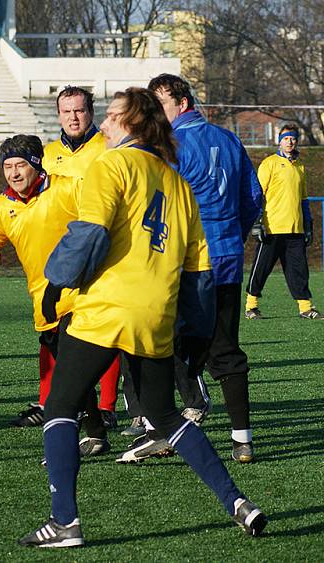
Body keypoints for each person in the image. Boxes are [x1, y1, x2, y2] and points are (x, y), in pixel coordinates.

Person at [19, 88, 267, 549]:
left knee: (60, 405)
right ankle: (237, 501)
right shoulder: (176, 183)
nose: (106, 124)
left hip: (106, 308)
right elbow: (199, 272)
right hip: (156, 316)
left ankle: (65, 522)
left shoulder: (109, 165)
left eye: (112, 116)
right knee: (165, 414)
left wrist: (56, 281)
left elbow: (90, 233)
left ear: (133, 124)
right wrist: (193, 331)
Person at [118, 73, 263, 464]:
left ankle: (158, 428)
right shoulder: (229, 138)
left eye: (161, 105)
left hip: (189, 261)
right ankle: (242, 440)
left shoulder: (170, 145)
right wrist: (234, 232)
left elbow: (159, 207)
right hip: (229, 257)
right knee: (226, 349)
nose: (155, 114)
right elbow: (253, 196)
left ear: (182, 103)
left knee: (158, 344)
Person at [0, 135, 115, 455]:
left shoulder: (68, 188)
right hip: (45, 304)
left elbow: (105, 216)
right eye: (7, 167)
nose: (13, 173)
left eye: (20, 165)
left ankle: (148, 424)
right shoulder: (1, 207)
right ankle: (96, 433)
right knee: (73, 375)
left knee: (71, 375)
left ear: (37, 164)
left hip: (87, 294)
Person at [43, 86, 119, 429]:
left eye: (79, 110)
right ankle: (53, 402)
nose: (73, 117)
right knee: (53, 325)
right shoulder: (46, 155)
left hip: (101, 249)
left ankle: (106, 404)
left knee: (102, 328)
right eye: (66, 111)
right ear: (58, 115)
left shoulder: (107, 148)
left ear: (91, 112)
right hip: (59, 251)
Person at [245, 124, 320, 320]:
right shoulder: (269, 163)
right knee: (262, 268)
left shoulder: (300, 166)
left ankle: (305, 308)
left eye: (293, 138)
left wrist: (308, 225)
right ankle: (251, 306)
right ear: (280, 140)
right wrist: (257, 221)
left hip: (295, 228)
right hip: (272, 227)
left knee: (299, 270)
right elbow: (257, 194)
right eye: (286, 138)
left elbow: (303, 199)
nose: (290, 141)